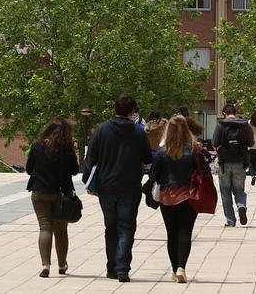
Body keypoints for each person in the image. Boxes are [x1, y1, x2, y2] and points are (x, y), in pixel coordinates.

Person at [83, 95, 152, 282]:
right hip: (130, 186)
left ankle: (111, 267)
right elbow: (147, 158)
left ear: (115, 109)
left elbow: (90, 159)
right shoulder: (138, 132)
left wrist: (89, 183)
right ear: (132, 112)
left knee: (110, 226)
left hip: (106, 186)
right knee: (127, 227)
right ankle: (123, 268)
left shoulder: (101, 130)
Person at [150, 115, 209, 283]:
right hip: (188, 196)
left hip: (167, 197)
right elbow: (204, 171)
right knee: (185, 232)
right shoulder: (194, 150)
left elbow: (154, 175)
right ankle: (182, 267)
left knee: (172, 234)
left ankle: (175, 269)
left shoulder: (162, 152)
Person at [25, 118, 79, 278]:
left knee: (45, 228)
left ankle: (45, 266)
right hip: (61, 195)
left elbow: (29, 170)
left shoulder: (36, 146)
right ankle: (62, 265)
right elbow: (75, 170)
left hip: (40, 193)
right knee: (61, 231)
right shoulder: (67, 148)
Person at [212, 104, 254, 227]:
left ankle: (230, 220)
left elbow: (214, 142)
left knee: (225, 192)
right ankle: (241, 206)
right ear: (235, 113)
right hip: (240, 163)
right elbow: (251, 142)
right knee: (239, 190)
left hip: (224, 163)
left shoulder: (220, 125)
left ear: (224, 113)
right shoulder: (244, 125)